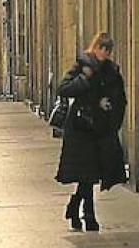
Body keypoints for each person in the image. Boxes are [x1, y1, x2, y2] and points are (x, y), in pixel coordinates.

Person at [55, 32, 128, 231]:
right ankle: (89, 215)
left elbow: (119, 97)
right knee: (86, 174)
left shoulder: (112, 71)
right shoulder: (83, 66)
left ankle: (75, 207)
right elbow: (64, 89)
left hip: (101, 130)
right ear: (94, 47)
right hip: (81, 128)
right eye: (101, 47)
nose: (104, 52)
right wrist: (84, 79)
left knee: (92, 174)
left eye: (108, 49)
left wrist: (109, 106)